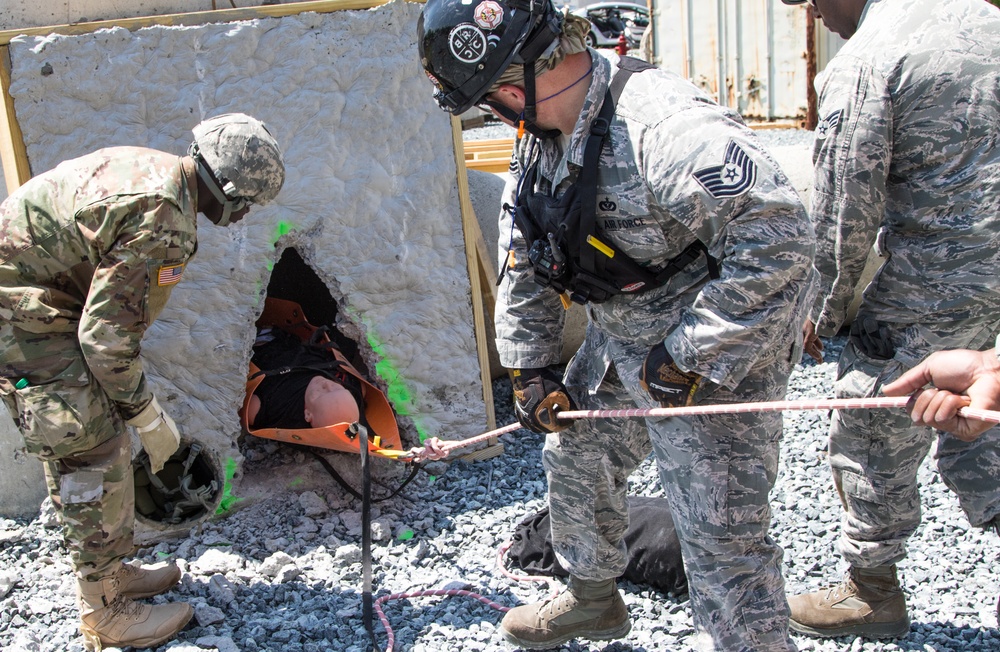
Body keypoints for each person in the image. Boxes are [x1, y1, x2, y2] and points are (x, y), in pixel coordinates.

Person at [417, 1, 818, 649]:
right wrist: (532, 366)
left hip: (717, 344)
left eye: (491, 102)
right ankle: (593, 599)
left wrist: (691, 354)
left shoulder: (666, 129)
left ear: (515, 86)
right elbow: (526, 250)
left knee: (720, 537)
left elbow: (779, 241)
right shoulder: (541, 136)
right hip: (621, 331)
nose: (494, 115)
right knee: (576, 457)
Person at [0, 113, 285, 651]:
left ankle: (109, 568)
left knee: (99, 431)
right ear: (224, 191)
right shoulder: (164, 222)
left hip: (38, 298)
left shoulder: (158, 172)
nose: (244, 215)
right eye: (244, 202)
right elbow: (105, 340)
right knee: (89, 448)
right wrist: (149, 419)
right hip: (21, 314)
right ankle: (104, 613)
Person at [780, 0, 1000, 640]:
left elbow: (844, 210)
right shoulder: (986, 19)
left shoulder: (873, 57)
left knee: (874, 405)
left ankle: (869, 588)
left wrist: (820, 310)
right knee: (984, 405)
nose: (814, 11)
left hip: (944, 271)